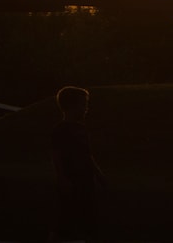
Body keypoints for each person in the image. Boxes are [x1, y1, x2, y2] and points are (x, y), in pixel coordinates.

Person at [51, 86, 105, 242]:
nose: (86, 109)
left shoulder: (81, 129)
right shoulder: (60, 130)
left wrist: (99, 175)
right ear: (71, 106)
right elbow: (56, 155)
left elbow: (87, 154)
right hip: (71, 180)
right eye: (83, 105)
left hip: (86, 180)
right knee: (65, 218)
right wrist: (62, 178)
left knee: (88, 217)